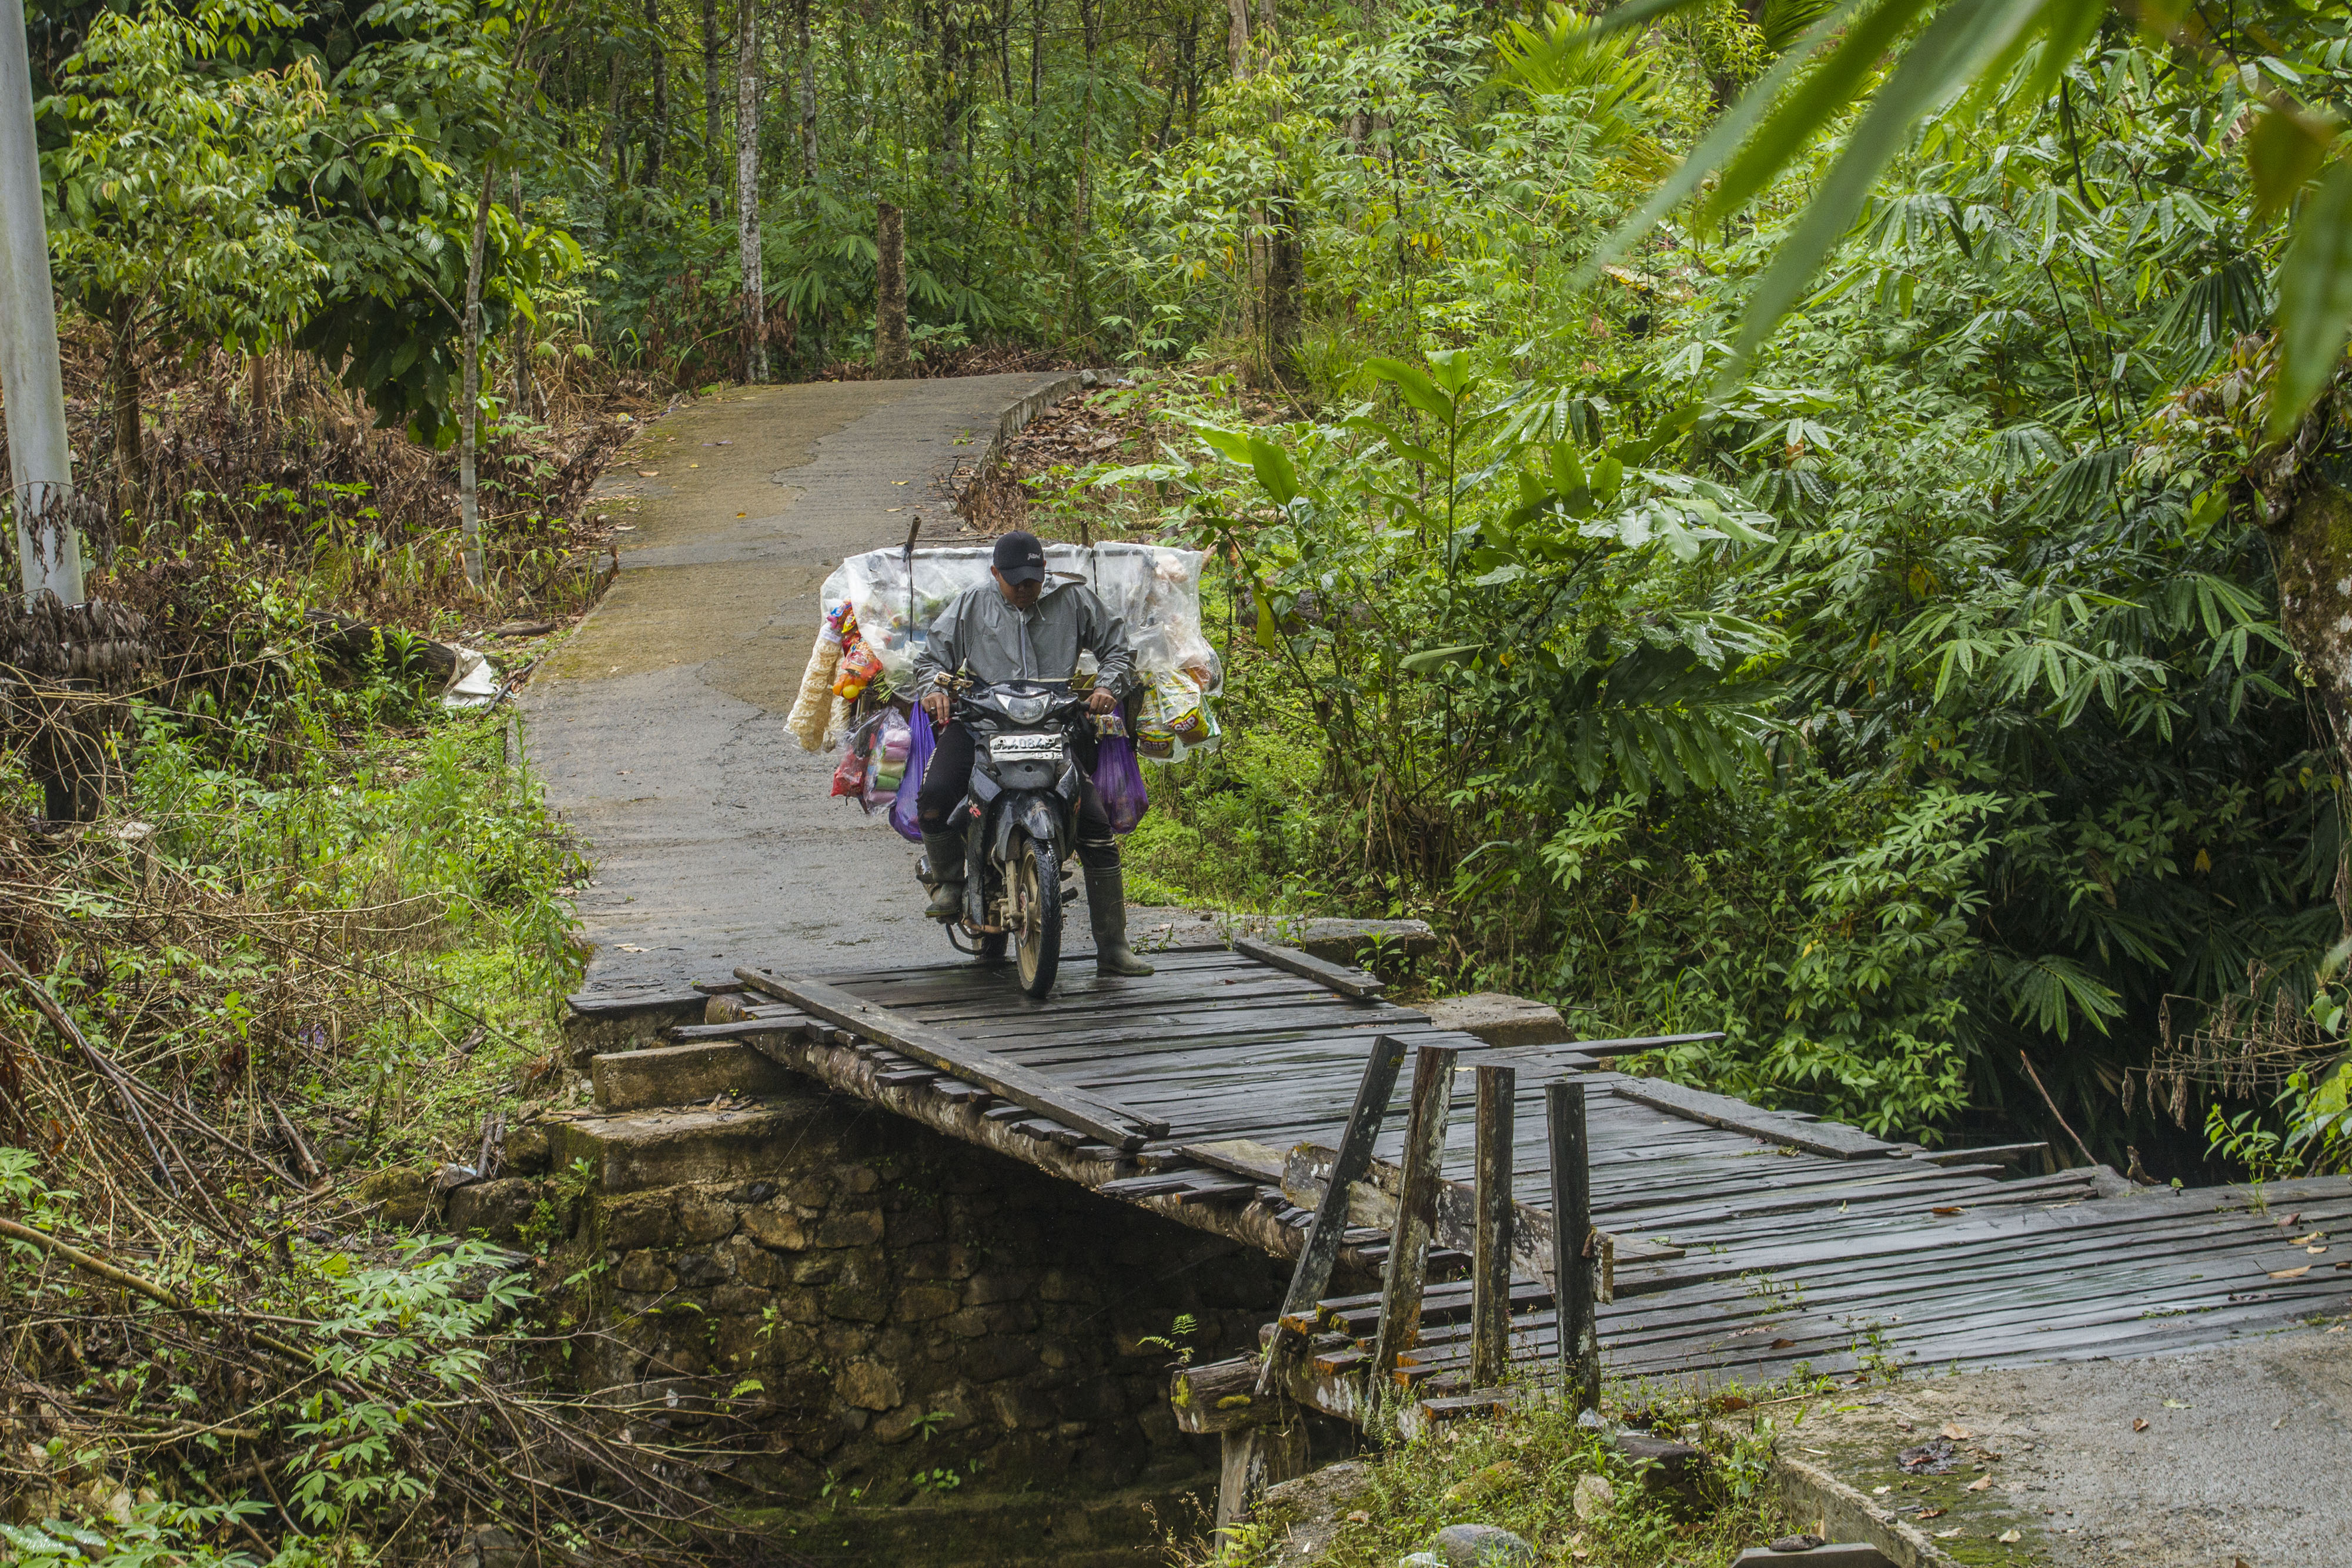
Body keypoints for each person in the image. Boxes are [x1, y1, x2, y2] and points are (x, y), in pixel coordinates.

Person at [908, 530, 1154, 977]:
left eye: (1033, 580)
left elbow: (1119, 650)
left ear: (1045, 574)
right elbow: (930, 662)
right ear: (995, 574)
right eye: (1016, 581)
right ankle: (949, 881)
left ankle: (1114, 946)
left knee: (1096, 826)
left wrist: (1106, 685)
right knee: (935, 800)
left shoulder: (1074, 601)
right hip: (982, 724)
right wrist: (934, 691)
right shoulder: (971, 605)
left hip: (1054, 727)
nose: (1026, 590)